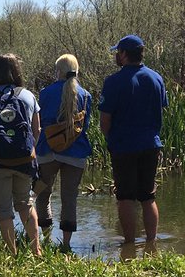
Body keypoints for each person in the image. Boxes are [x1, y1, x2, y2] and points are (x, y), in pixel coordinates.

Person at [99, 35, 167, 244]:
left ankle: (129, 244)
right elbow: (161, 111)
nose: (116, 56)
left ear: (124, 54)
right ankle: (151, 243)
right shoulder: (156, 78)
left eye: (117, 52)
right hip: (150, 144)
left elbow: (105, 120)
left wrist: (111, 139)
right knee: (148, 196)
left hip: (123, 145)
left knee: (125, 197)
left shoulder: (113, 82)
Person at [0, 53, 42, 257]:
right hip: (25, 161)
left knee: (3, 210)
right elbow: (37, 131)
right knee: (25, 204)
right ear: (17, 71)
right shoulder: (28, 96)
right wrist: (28, 151)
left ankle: (13, 255)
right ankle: (36, 250)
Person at [34, 53, 92, 253]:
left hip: (47, 149)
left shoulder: (46, 93)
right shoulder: (85, 95)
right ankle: (66, 245)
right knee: (69, 198)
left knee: (43, 194)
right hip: (75, 152)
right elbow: (85, 127)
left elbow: (40, 122)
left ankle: (46, 239)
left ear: (58, 71)